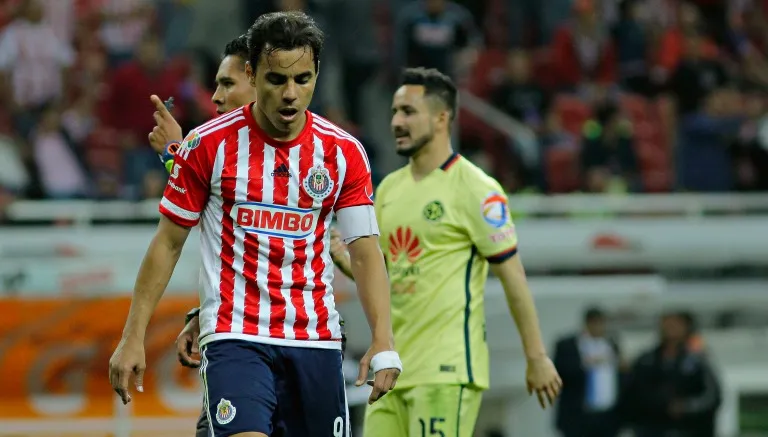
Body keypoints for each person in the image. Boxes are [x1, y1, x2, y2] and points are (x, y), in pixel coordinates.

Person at [108, 11, 401, 437]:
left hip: (315, 339)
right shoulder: (207, 145)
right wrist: (132, 336)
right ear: (252, 73)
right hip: (235, 337)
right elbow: (167, 243)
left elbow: (365, 250)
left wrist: (383, 339)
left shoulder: (343, 153)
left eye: (302, 79)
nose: (290, 94)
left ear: (317, 74)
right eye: (276, 80)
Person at [332, 67, 562, 437]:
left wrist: (536, 357)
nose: (396, 121)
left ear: (442, 118)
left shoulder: (476, 189)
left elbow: (513, 278)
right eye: (394, 112)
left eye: (408, 112)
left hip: (446, 372)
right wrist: (348, 263)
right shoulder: (388, 189)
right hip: (391, 367)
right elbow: (389, 274)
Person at [627, 311, 721, 437]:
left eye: (676, 323)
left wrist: (686, 407)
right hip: (653, 429)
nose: (670, 327)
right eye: (667, 322)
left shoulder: (698, 361)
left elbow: (711, 396)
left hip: (690, 430)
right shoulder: (646, 361)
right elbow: (634, 395)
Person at [553, 307, 625, 437]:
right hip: (578, 416)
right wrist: (586, 363)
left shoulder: (611, 344)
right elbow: (561, 373)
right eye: (595, 323)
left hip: (607, 417)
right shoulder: (568, 345)